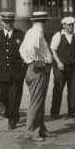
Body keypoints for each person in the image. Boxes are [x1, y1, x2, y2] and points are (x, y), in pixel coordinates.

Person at [0, 11, 27, 131]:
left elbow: (26, 53)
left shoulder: (21, 35)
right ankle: (11, 113)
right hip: (0, 73)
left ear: (13, 22)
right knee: (2, 96)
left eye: (11, 21)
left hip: (16, 73)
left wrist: (23, 70)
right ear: (2, 22)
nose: (8, 24)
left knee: (15, 97)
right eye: (6, 21)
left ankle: (12, 119)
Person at [18, 11, 53, 141]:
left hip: (36, 69)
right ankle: (30, 131)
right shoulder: (37, 33)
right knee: (36, 102)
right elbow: (28, 50)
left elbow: (22, 49)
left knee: (40, 101)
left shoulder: (31, 32)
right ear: (45, 21)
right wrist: (38, 62)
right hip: (38, 70)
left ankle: (41, 128)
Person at [50, 16, 75, 118]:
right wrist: (59, 62)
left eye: (72, 24)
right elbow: (53, 50)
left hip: (72, 67)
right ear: (63, 25)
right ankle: (55, 112)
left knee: (73, 89)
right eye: (69, 25)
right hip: (60, 67)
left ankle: (72, 111)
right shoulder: (58, 35)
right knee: (58, 89)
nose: (71, 26)